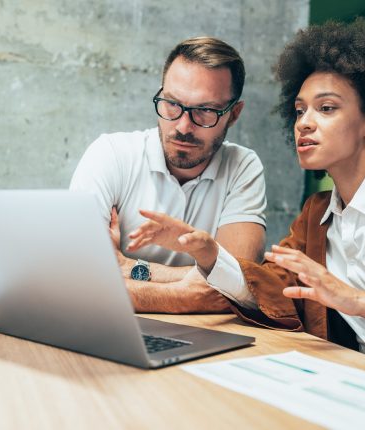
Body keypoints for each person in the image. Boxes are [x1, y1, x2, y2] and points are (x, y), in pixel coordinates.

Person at [125, 20, 365, 401]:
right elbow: (273, 292)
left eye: (327, 108)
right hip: (348, 391)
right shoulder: (316, 214)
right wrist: (208, 252)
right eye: (300, 110)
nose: (304, 123)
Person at [69, 37, 267, 314]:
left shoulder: (242, 166)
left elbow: (243, 285)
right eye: (172, 104)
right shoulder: (111, 154)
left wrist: (128, 267)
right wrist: (182, 296)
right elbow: (76, 278)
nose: (183, 126)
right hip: (113, 324)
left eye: (205, 111)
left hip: (205, 335)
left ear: (233, 114)